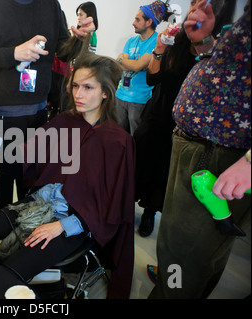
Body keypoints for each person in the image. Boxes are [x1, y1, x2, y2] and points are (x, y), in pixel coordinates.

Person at [0, 53, 136, 299]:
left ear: (105, 93)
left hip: (75, 223)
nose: (78, 94)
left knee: (7, 275)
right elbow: (26, 149)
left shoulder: (118, 143)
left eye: (88, 87)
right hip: (38, 203)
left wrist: (61, 226)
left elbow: (110, 207)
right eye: (76, 85)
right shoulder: (66, 122)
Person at [149, 0, 251, 299]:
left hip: (219, 156)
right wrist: (204, 39)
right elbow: (227, 70)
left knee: (182, 251)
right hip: (199, 147)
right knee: (195, 250)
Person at [0, 0, 95, 209]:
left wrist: (78, 39)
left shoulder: (51, 5)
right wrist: (14, 54)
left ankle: (26, 221)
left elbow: (62, 51)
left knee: (32, 169)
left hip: (39, 108)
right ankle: (5, 224)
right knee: (9, 169)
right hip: (6, 110)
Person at [135, 0, 237, 237]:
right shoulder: (176, 39)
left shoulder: (220, 47)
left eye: (205, 3)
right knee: (140, 166)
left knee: (164, 176)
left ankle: (150, 212)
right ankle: (124, 208)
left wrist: (202, 41)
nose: (196, 6)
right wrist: (159, 49)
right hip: (156, 118)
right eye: (193, 2)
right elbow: (152, 79)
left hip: (183, 130)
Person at [115, 0, 168, 135]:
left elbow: (138, 66)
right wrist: (126, 62)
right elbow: (118, 64)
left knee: (135, 140)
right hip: (120, 95)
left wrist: (124, 59)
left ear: (149, 22)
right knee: (116, 137)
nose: (133, 22)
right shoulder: (131, 41)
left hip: (139, 100)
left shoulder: (157, 42)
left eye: (137, 19)